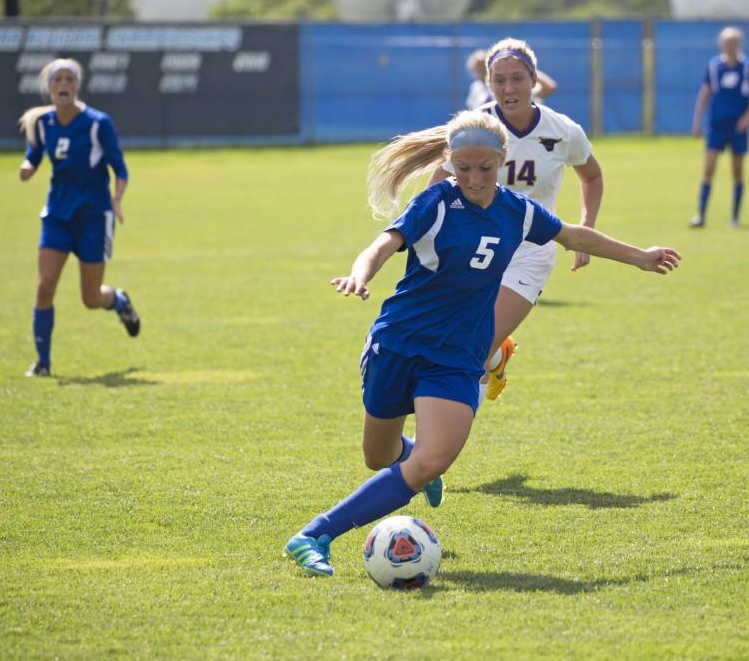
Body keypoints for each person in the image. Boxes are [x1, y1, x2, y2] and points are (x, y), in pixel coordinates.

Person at [284, 110, 681, 576]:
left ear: (503, 160)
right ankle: (414, 461)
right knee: (379, 457)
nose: (473, 179)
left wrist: (640, 257)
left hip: (458, 354)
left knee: (436, 457)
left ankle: (314, 534)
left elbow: (571, 233)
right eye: (464, 168)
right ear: (450, 162)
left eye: (485, 168)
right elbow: (384, 243)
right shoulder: (435, 202)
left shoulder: (518, 210)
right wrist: (359, 274)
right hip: (399, 341)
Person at [432, 37, 596, 402]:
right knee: (458, 340)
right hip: (475, 249)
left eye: (517, 78)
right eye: (499, 80)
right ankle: (497, 357)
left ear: (534, 79)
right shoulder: (474, 129)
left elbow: (592, 176)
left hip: (531, 252)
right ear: (488, 84)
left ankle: (437, 442)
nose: (509, 88)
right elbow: (438, 185)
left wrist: (586, 231)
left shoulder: (563, 130)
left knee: (469, 352)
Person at [17, 58, 139, 378]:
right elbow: (33, 155)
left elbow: (120, 168)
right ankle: (43, 363)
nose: (63, 85)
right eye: (57, 79)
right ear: (49, 87)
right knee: (44, 287)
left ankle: (121, 301)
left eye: (69, 79)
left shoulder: (98, 123)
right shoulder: (43, 124)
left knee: (90, 297)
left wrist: (117, 199)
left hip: (93, 219)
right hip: (57, 216)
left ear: (77, 86)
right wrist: (27, 168)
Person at [690, 26, 749, 228]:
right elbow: (705, 93)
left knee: (737, 172)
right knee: (708, 169)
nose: (730, 46)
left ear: (739, 44)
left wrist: (746, 119)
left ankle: (735, 217)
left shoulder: (747, 66)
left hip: (738, 128)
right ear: (721, 44)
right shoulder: (714, 66)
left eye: (733, 43)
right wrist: (697, 121)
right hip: (716, 126)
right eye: (726, 43)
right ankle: (701, 216)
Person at [465, 47, 558, 111]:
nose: (482, 69)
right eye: (478, 66)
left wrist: (525, 68)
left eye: (483, 65)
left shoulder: (520, 87)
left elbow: (549, 87)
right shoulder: (476, 87)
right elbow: (472, 110)